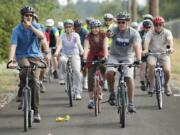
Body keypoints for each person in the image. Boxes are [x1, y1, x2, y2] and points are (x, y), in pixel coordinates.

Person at [8, 6, 45, 122]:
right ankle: (22, 86)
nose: (29, 17)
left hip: (36, 56)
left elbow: (42, 36)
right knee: (25, 69)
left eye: (31, 15)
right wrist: (10, 60)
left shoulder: (36, 26)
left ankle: (36, 111)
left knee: (35, 81)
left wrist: (31, 27)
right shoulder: (16, 30)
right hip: (22, 55)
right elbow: (13, 45)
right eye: (27, 15)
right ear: (22, 17)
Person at [106, 12, 142, 112]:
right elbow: (109, 33)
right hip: (114, 56)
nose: (121, 24)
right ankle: (112, 93)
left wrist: (138, 59)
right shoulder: (114, 29)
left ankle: (130, 103)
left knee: (129, 77)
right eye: (119, 22)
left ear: (127, 22)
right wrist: (108, 33)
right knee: (109, 73)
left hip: (128, 57)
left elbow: (137, 46)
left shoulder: (134, 33)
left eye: (123, 22)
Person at [143, 16, 174, 96]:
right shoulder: (150, 32)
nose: (158, 26)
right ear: (153, 25)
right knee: (151, 65)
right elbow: (146, 41)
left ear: (163, 25)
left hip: (164, 54)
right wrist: (146, 50)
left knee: (167, 70)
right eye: (156, 25)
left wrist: (171, 48)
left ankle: (166, 85)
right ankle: (152, 85)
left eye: (160, 24)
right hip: (152, 54)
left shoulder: (167, 32)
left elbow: (170, 40)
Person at [54, 19, 84, 100]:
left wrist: (81, 50)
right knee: (62, 60)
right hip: (65, 54)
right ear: (64, 28)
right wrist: (57, 52)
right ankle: (62, 78)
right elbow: (60, 45)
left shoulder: (76, 35)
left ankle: (77, 92)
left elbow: (78, 44)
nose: (68, 28)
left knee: (77, 72)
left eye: (69, 26)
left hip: (75, 54)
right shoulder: (62, 36)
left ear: (72, 27)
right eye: (66, 27)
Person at [83, 19, 109, 109]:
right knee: (90, 77)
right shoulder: (88, 36)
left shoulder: (104, 35)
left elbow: (105, 48)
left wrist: (105, 57)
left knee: (103, 67)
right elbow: (86, 48)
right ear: (90, 28)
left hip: (102, 54)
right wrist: (84, 58)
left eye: (97, 27)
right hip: (92, 55)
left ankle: (103, 82)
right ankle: (91, 100)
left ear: (99, 28)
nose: (95, 29)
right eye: (93, 28)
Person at [74, 19, 89, 90]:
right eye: (76, 27)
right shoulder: (72, 31)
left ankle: (85, 80)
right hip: (74, 51)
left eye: (79, 27)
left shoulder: (85, 32)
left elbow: (88, 43)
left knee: (85, 66)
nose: (77, 29)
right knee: (77, 68)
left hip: (83, 50)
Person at [139, 19, 153, 91]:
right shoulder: (140, 33)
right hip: (143, 52)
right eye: (145, 27)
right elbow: (137, 43)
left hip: (152, 52)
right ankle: (142, 83)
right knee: (143, 68)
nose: (147, 29)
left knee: (152, 67)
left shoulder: (154, 33)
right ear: (143, 27)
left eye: (149, 27)